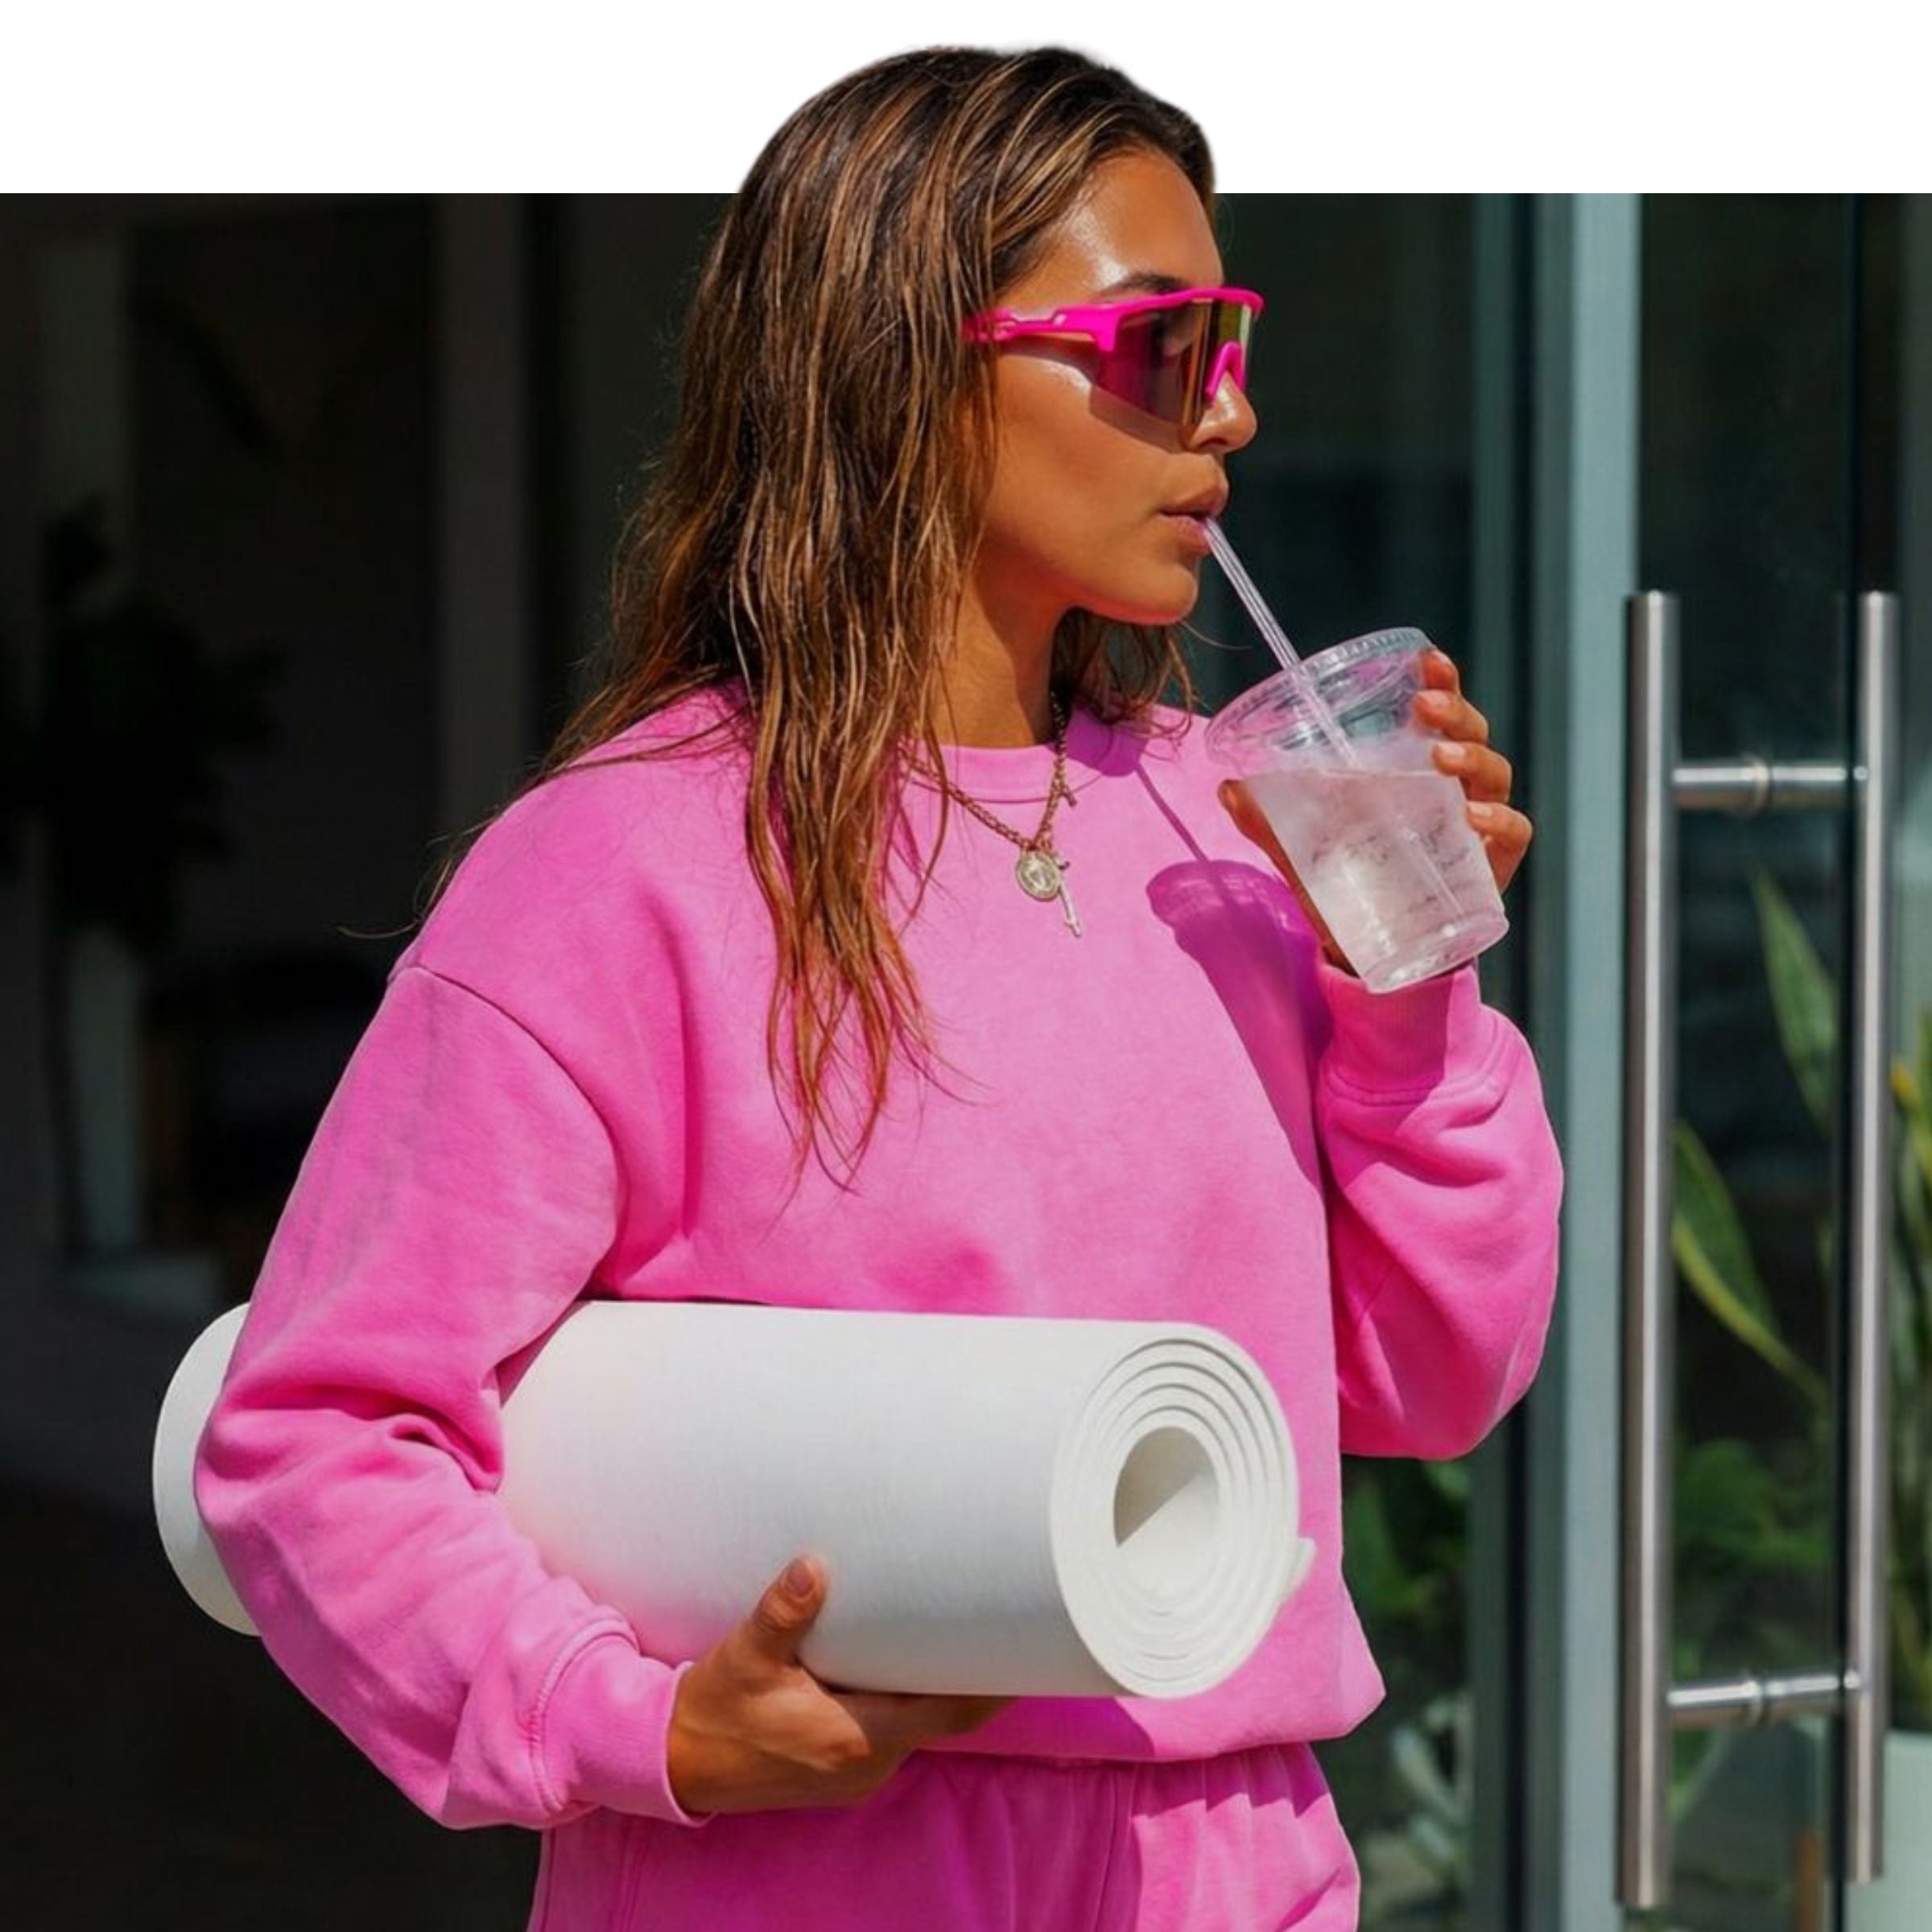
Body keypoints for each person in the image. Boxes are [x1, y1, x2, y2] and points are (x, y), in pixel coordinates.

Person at [194, 43, 1562, 1932]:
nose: (1230, 416)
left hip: (1237, 1868)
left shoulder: (1232, 832)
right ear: (917, 357)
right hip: (804, 1875)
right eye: (1170, 343)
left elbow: (1435, 1381)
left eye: (1236, 342)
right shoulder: (627, 870)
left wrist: (1408, 1009)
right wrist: (641, 1728)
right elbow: (315, 1434)